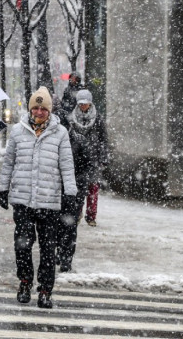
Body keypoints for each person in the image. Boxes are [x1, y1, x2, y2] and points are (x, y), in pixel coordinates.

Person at [0, 86, 77, 309]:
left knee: (47, 248)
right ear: (31, 109)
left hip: (49, 201)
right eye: (36, 108)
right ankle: (24, 282)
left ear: (49, 110)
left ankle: (45, 290)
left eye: (43, 108)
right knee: (22, 245)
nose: (39, 112)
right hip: (22, 199)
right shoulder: (17, 131)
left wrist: (70, 194)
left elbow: (67, 166)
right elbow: (9, 163)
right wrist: (3, 189)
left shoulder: (60, 132)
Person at [59, 88, 110, 271]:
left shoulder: (98, 119)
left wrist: (103, 157)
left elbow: (104, 139)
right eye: (80, 103)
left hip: (92, 160)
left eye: (85, 103)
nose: (83, 106)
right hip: (75, 163)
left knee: (93, 189)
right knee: (76, 196)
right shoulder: (71, 119)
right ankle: (78, 213)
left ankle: (91, 214)